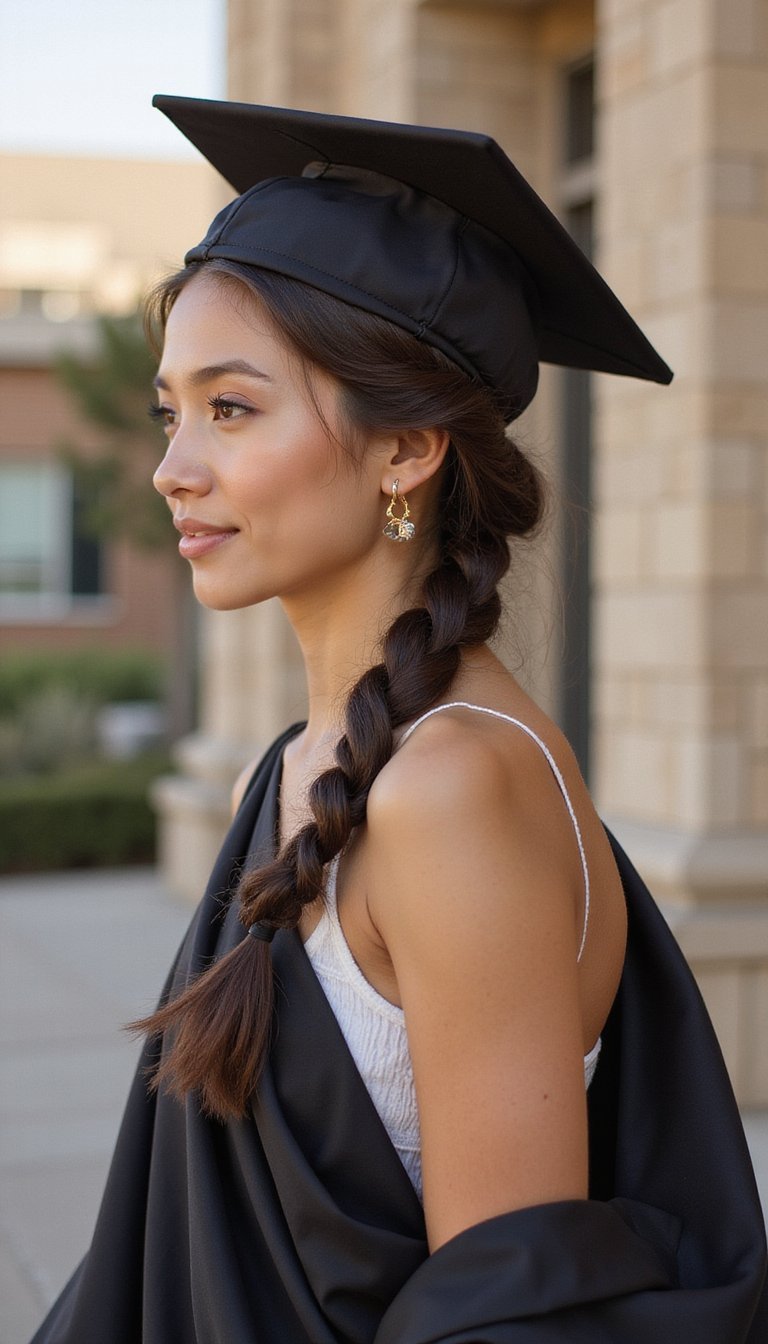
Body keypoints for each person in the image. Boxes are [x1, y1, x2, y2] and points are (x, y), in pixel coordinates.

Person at [31, 97, 766, 1343]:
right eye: (171, 411)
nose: (172, 467)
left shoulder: (450, 790)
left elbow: (505, 1316)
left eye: (233, 408)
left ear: (407, 449)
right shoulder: (298, 769)